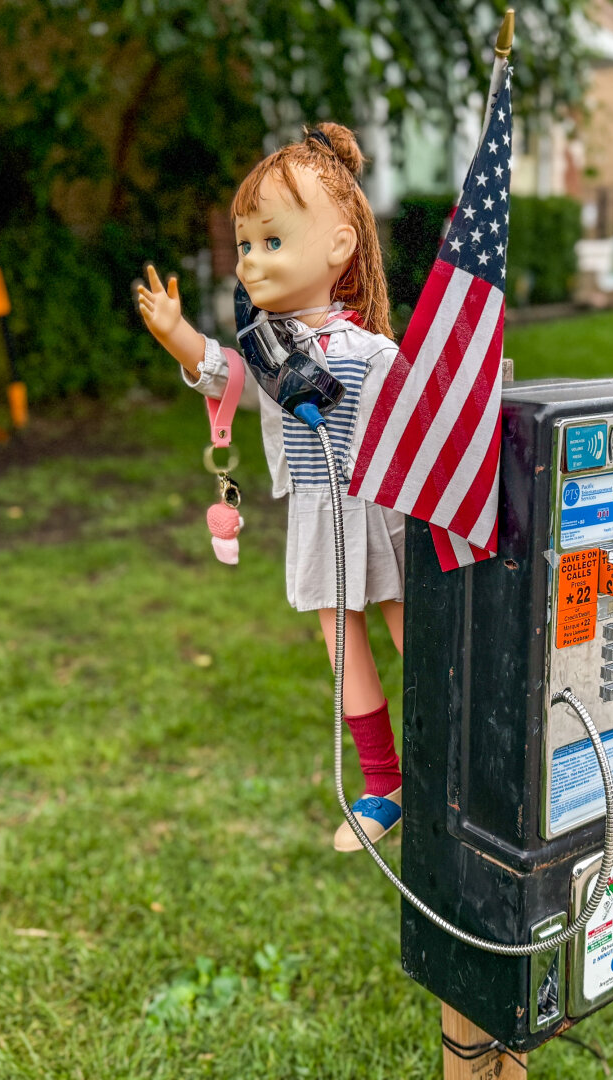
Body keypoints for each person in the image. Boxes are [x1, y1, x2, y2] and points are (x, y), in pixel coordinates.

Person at [136, 122, 404, 852]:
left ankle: (461, 756)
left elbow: (417, 421)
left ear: (340, 247)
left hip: (381, 513)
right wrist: (177, 335)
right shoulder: (267, 353)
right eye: (247, 245)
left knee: (420, 636)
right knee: (342, 649)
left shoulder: (371, 351)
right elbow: (220, 371)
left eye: (273, 242)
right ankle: (385, 781)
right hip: (318, 517)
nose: (252, 261)